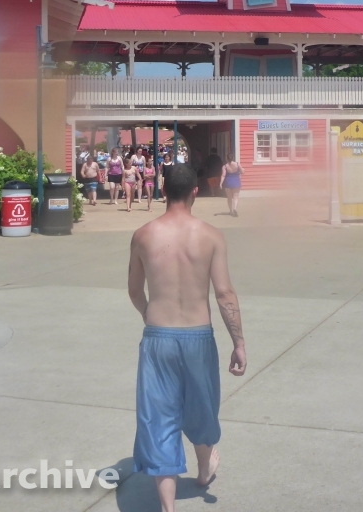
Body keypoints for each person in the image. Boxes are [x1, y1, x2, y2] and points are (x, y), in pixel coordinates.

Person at [127, 163, 246, 512]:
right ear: (195, 192)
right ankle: (205, 466)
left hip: (158, 336)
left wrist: (150, 314)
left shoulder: (143, 235)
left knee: (157, 417)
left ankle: (168, 508)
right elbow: (225, 293)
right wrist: (238, 343)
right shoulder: (211, 235)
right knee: (202, 406)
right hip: (198, 336)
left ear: (163, 192)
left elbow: (134, 290)